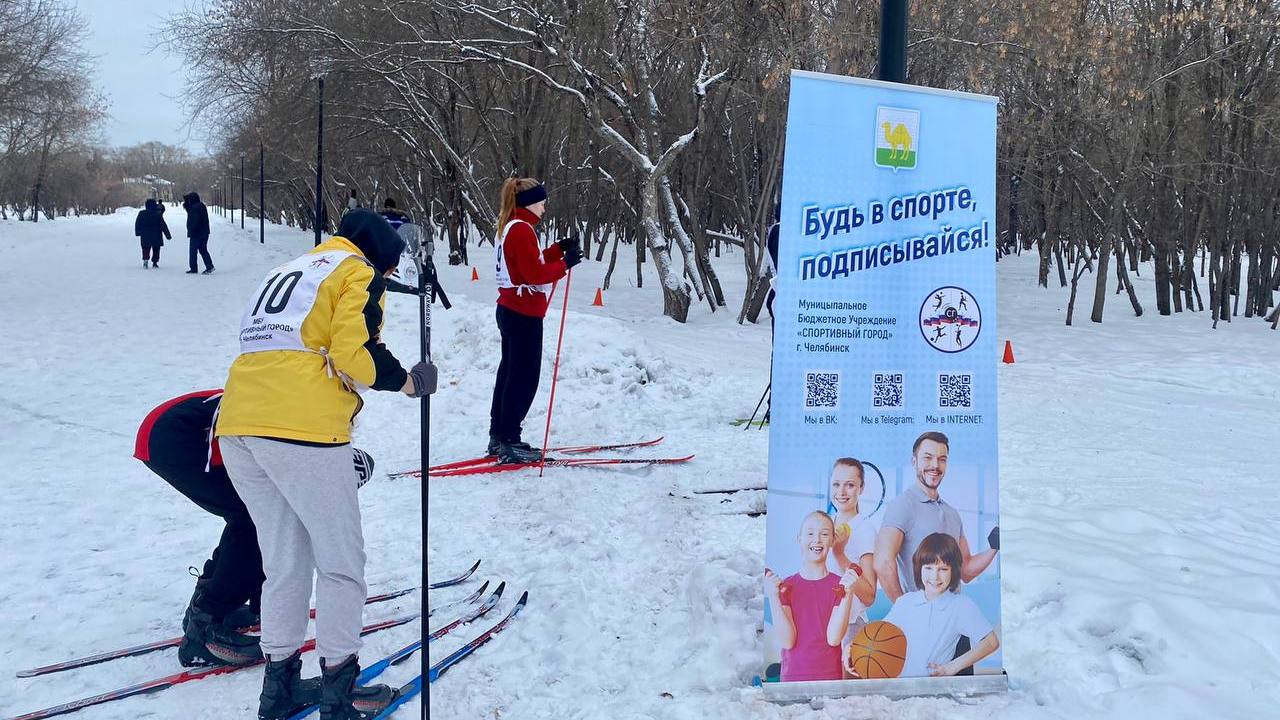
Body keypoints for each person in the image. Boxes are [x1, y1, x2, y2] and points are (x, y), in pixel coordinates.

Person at [215, 208, 438, 720]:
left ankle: (279, 692)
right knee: (341, 567)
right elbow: (352, 353)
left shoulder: (294, 269)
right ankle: (339, 697)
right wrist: (408, 381)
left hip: (239, 424)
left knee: (284, 565)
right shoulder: (357, 270)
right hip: (302, 431)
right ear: (381, 255)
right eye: (390, 268)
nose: (387, 278)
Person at [135, 389, 379, 672]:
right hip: (176, 436)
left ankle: (214, 606)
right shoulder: (305, 437)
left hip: (170, 430)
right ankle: (205, 628)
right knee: (255, 519)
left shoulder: (308, 421)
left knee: (253, 517)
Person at [487, 178, 582, 463]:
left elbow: (529, 261)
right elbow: (532, 274)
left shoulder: (512, 226)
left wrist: (557, 250)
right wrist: (565, 265)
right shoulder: (522, 230)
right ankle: (509, 439)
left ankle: (499, 436)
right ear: (529, 203)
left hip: (511, 308)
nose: (545, 207)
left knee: (509, 375)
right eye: (542, 201)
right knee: (523, 378)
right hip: (522, 312)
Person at [873, 431, 998, 602]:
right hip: (921, 619)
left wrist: (994, 548)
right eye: (928, 458)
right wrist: (904, 607)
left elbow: (966, 571)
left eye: (942, 459)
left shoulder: (952, 513)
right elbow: (883, 562)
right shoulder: (902, 505)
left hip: (953, 616)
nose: (935, 465)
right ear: (914, 461)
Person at [876, 533, 1000, 678]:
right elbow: (876, 638)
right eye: (928, 568)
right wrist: (851, 647)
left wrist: (952, 667)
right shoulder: (905, 602)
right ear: (919, 568)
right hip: (900, 690)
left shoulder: (960, 605)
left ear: (953, 570)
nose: (935, 577)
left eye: (943, 569)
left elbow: (991, 642)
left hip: (934, 692)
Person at [764, 511, 863, 682]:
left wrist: (849, 593)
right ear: (799, 539)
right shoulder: (786, 586)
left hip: (830, 679)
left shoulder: (840, 585)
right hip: (792, 679)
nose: (817, 539)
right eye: (810, 533)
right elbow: (787, 641)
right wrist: (773, 597)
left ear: (832, 541)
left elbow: (833, 638)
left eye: (824, 534)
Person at [826, 458, 879, 665]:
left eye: (850, 485)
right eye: (836, 484)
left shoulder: (864, 530)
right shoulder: (825, 525)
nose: (842, 492)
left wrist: (840, 555)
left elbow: (869, 595)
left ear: (861, 488)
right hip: (823, 624)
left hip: (850, 628)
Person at [183, 192, 214, 274]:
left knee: (193, 251)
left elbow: (194, 221)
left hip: (196, 233)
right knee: (203, 250)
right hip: (205, 232)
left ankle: (193, 268)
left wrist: (191, 231)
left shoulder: (195, 208)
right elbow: (189, 209)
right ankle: (209, 266)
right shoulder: (201, 206)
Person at [135, 198, 171, 268]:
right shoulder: (158, 214)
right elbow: (163, 225)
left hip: (145, 235)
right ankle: (155, 262)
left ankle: (145, 260)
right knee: (156, 249)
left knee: (145, 248)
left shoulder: (142, 213)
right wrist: (168, 235)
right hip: (156, 235)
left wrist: (138, 232)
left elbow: (137, 223)